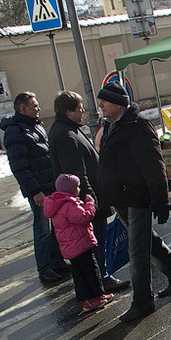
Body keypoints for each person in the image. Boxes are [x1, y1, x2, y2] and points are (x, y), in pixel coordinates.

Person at [96, 82, 171, 322]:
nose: (100, 106)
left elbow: (154, 165)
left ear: (118, 103)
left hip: (138, 198)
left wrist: (162, 201)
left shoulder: (137, 126)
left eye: (104, 102)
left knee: (137, 251)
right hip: (122, 199)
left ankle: (142, 302)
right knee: (148, 242)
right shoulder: (110, 126)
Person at [49, 90, 130, 294]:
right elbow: (76, 173)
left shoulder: (69, 129)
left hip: (89, 198)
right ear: (68, 111)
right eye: (79, 108)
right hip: (88, 202)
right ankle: (102, 279)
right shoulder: (66, 135)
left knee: (96, 242)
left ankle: (100, 279)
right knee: (96, 243)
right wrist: (90, 201)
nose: (84, 111)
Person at [0, 91, 70, 283]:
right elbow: (19, 166)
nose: (38, 109)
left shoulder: (35, 125)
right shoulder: (15, 131)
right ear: (23, 109)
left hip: (49, 186)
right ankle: (45, 268)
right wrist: (35, 191)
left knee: (55, 226)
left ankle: (57, 262)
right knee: (42, 230)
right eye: (34, 106)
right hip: (39, 191)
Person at [43, 174, 113, 312]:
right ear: (70, 189)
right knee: (91, 271)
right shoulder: (69, 205)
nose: (79, 189)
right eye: (77, 186)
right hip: (80, 245)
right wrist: (90, 203)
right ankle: (96, 298)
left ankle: (89, 299)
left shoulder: (57, 204)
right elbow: (85, 217)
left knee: (79, 274)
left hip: (69, 248)